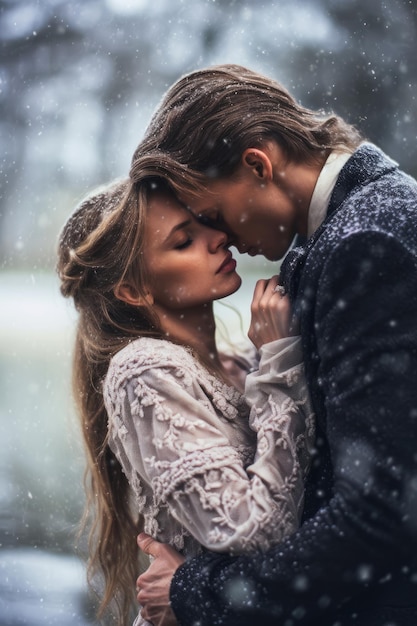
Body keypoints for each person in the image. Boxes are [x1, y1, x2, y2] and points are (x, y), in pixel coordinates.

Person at [130, 64, 417, 626]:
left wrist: (197, 592)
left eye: (211, 215)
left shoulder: (366, 242)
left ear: (258, 164)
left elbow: (380, 513)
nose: (222, 238)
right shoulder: (341, 231)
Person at [57, 175, 316, 626]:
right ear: (134, 291)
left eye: (204, 223)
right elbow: (256, 530)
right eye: (184, 241)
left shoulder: (240, 361)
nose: (219, 238)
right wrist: (279, 361)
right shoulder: (143, 371)